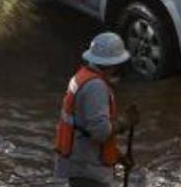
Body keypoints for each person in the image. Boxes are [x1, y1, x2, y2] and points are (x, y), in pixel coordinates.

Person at [54, 32, 137, 187]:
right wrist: (124, 122)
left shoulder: (83, 76)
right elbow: (100, 131)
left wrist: (117, 156)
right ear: (113, 64)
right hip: (87, 169)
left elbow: (85, 126)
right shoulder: (96, 87)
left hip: (79, 162)